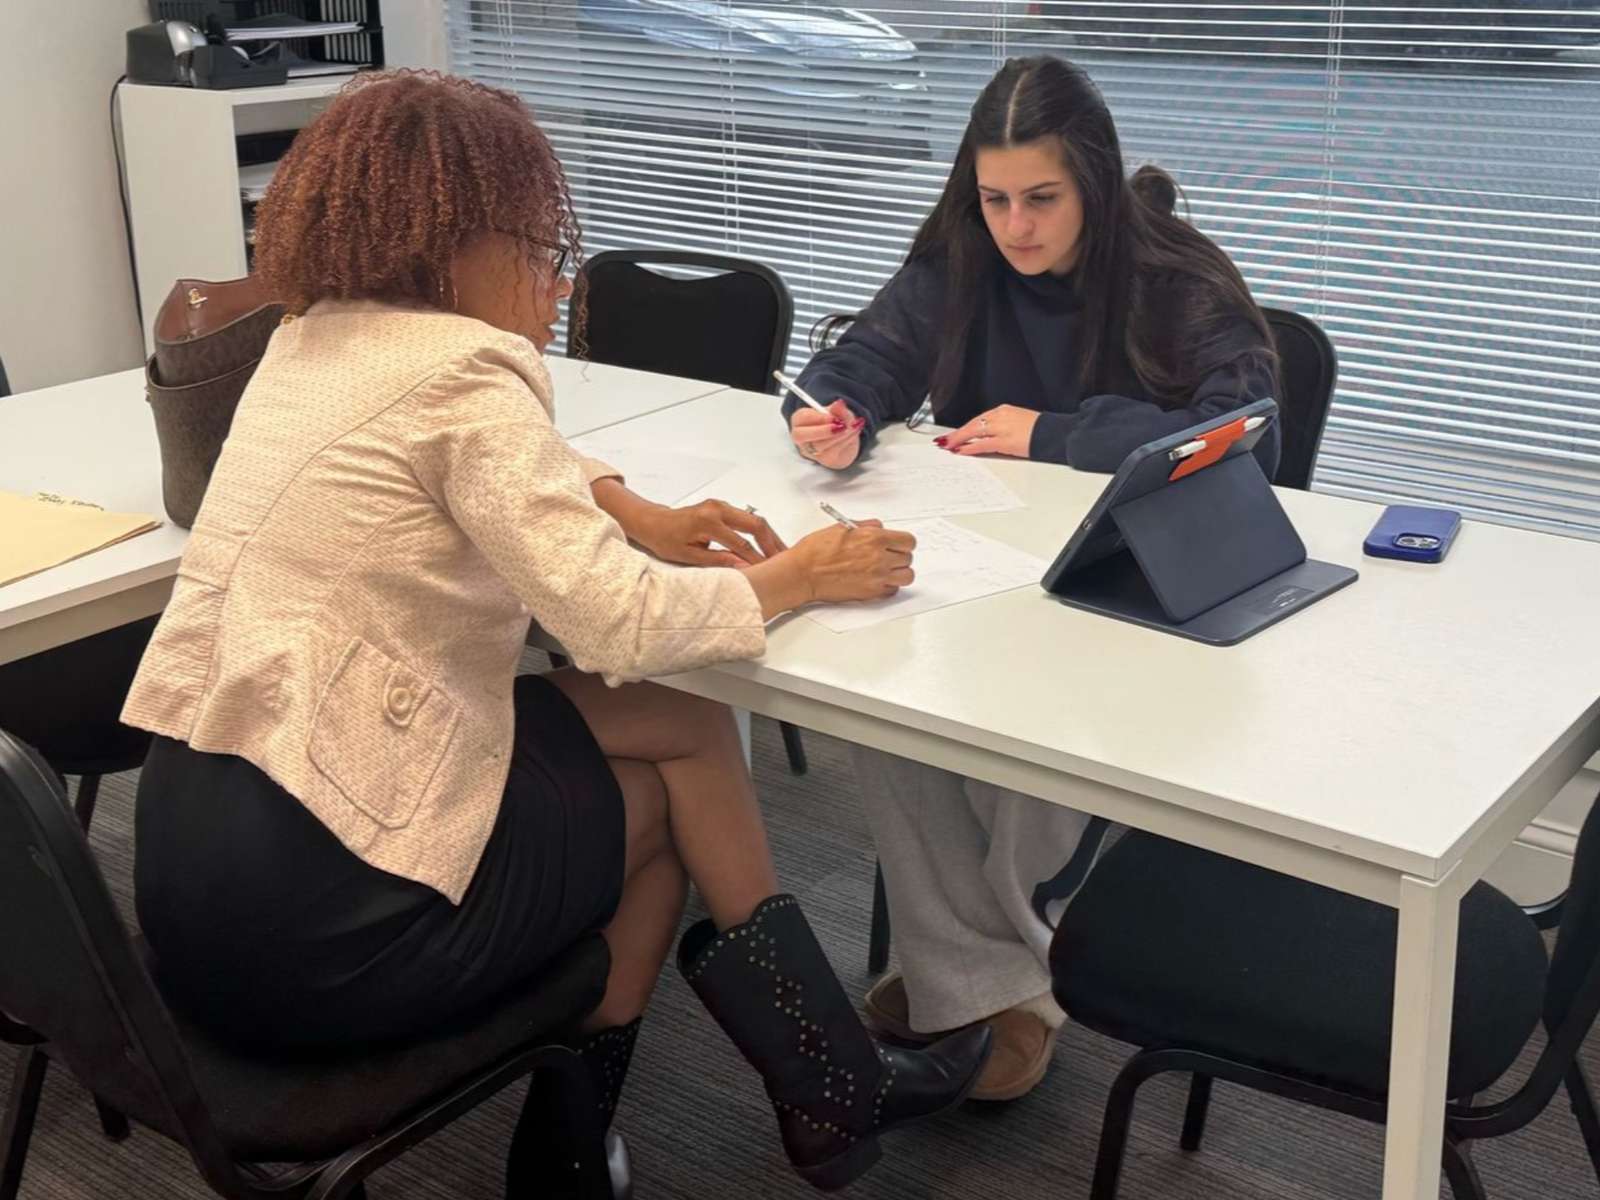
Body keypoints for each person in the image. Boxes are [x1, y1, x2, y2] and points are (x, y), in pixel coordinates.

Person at [120, 71, 990, 1195]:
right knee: (671, 796)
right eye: (538, 247)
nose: (558, 280)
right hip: (328, 931)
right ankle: (691, 1118)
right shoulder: (468, 371)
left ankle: (780, 1093)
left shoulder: (310, 339)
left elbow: (471, 461)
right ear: (451, 244)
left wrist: (622, 505)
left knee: (680, 725)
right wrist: (797, 577)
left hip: (191, 871)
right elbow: (619, 622)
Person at [782, 54, 1279, 1102]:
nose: (1015, 227)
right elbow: (871, 354)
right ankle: (997, 992)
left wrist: (1056, 434)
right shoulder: (965, 257)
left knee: (1030, 742)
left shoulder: (1168, 278)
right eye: (994, 198)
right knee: (886, 714)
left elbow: (1243, 428)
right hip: (987, 578)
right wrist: (834, 415)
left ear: (1092, 180)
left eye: (1041, 199)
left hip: (1130, 594)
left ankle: (968, 993)